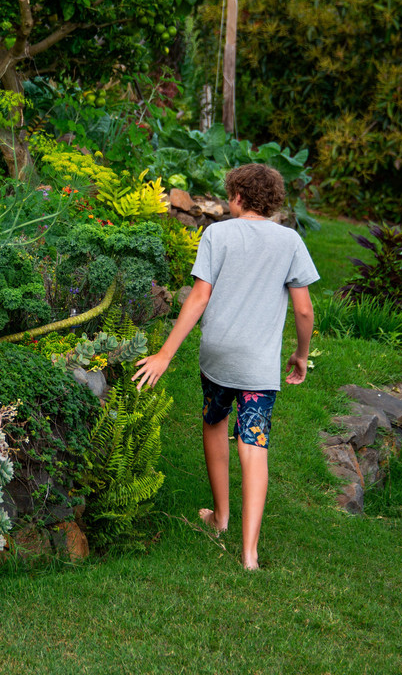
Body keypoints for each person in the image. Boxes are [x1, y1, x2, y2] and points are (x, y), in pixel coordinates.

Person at [132, 164, 318, 570]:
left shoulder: (217, 234)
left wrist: (165, 353)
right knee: (254, 445)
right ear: (272, 202)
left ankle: (220, 517)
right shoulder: (290, 241)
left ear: (236, 197)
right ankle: (249, 554)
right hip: (259, 366)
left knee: (215, 422)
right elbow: (304, 311)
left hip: (217, 357)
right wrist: (301, 355)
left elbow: (199, 298)